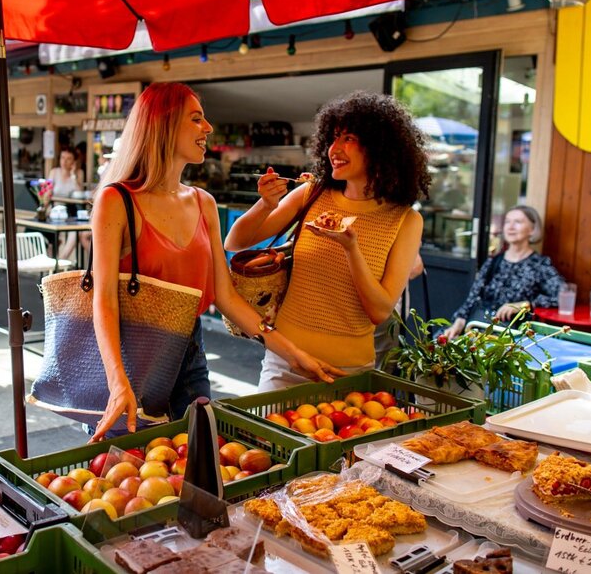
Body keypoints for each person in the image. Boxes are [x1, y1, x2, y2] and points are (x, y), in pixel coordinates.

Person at [89, 82, 345, 441]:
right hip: (131, 357)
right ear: (162, 125)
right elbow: (103, 300)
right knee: (128, 475)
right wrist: (117, 381)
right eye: (196, 119)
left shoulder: (202, 202)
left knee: (199, 464)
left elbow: (226, 298)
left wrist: (293, 353)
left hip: (189, 353)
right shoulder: (116, 200)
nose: (208, 128)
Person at [225, 92, 429, 389]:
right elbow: (235, 241)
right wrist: (265, 205)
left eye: (348, 138)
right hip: (285, 362)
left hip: (348, 373)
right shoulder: (311, 194)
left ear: (380, 146)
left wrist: (351, 248)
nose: (334, 148)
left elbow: (379, 311)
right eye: (332, 138)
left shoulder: (406, 220)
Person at [443, 206, 565, 340]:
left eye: (518, 222)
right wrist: (459, 321)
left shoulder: (539, 265)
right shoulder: (494, 261)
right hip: (476, 326)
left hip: (509, 336)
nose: (511, 227)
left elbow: (563, 297)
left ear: (532, 229)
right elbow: (473, 298)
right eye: (507, 222)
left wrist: (525, 305)